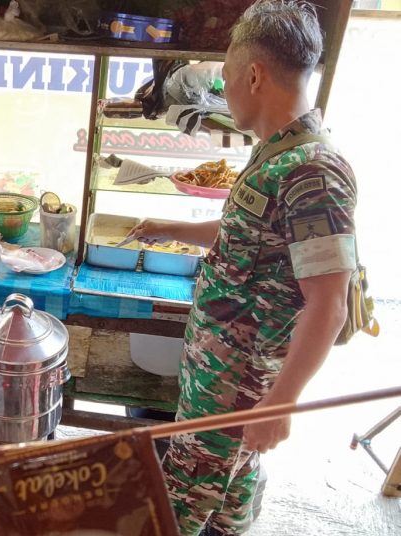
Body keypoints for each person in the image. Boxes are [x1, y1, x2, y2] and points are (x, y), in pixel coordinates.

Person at [130, 2, 357, 534]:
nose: (223, 92)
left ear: (254, 75)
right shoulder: (278, 153)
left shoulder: (314, 171)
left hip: (239, 387)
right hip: (221, 374)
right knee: (229, 496)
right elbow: (248, 233)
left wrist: (280, 404)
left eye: (226, 78)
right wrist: (170, 228)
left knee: (177, 507)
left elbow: (330, 301)